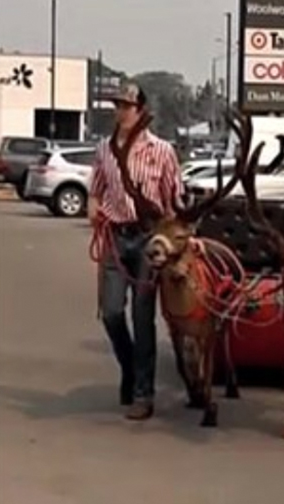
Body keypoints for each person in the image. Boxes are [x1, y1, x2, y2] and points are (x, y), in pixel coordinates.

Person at [89, 82, 184, 420]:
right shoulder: (105, 149)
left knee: (143, 317)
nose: (122, 112)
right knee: (112, 312)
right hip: (116, 236)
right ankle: (130, 367)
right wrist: (93, 205)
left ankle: (143, 392)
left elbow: (174, 201)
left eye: (128, 106)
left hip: (148, 239)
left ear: (140, 110)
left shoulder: (162, 151)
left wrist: (178, 240)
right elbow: (97, 186)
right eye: (118, 105)